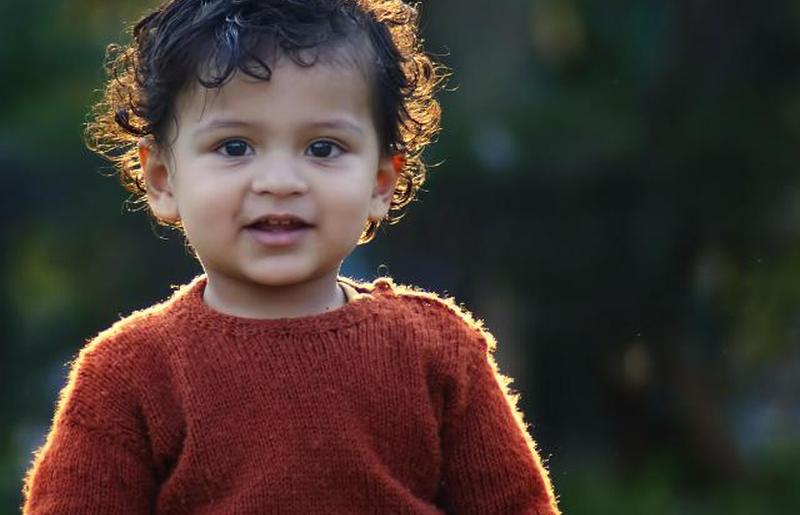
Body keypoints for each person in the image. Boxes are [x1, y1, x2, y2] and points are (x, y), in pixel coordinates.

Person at [21, 0, 560, 513]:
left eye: (323, 148)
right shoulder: (128, 375)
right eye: (235, 147)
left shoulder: (439, 352)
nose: (280, 182)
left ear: (381, 183)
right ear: (162, 179)